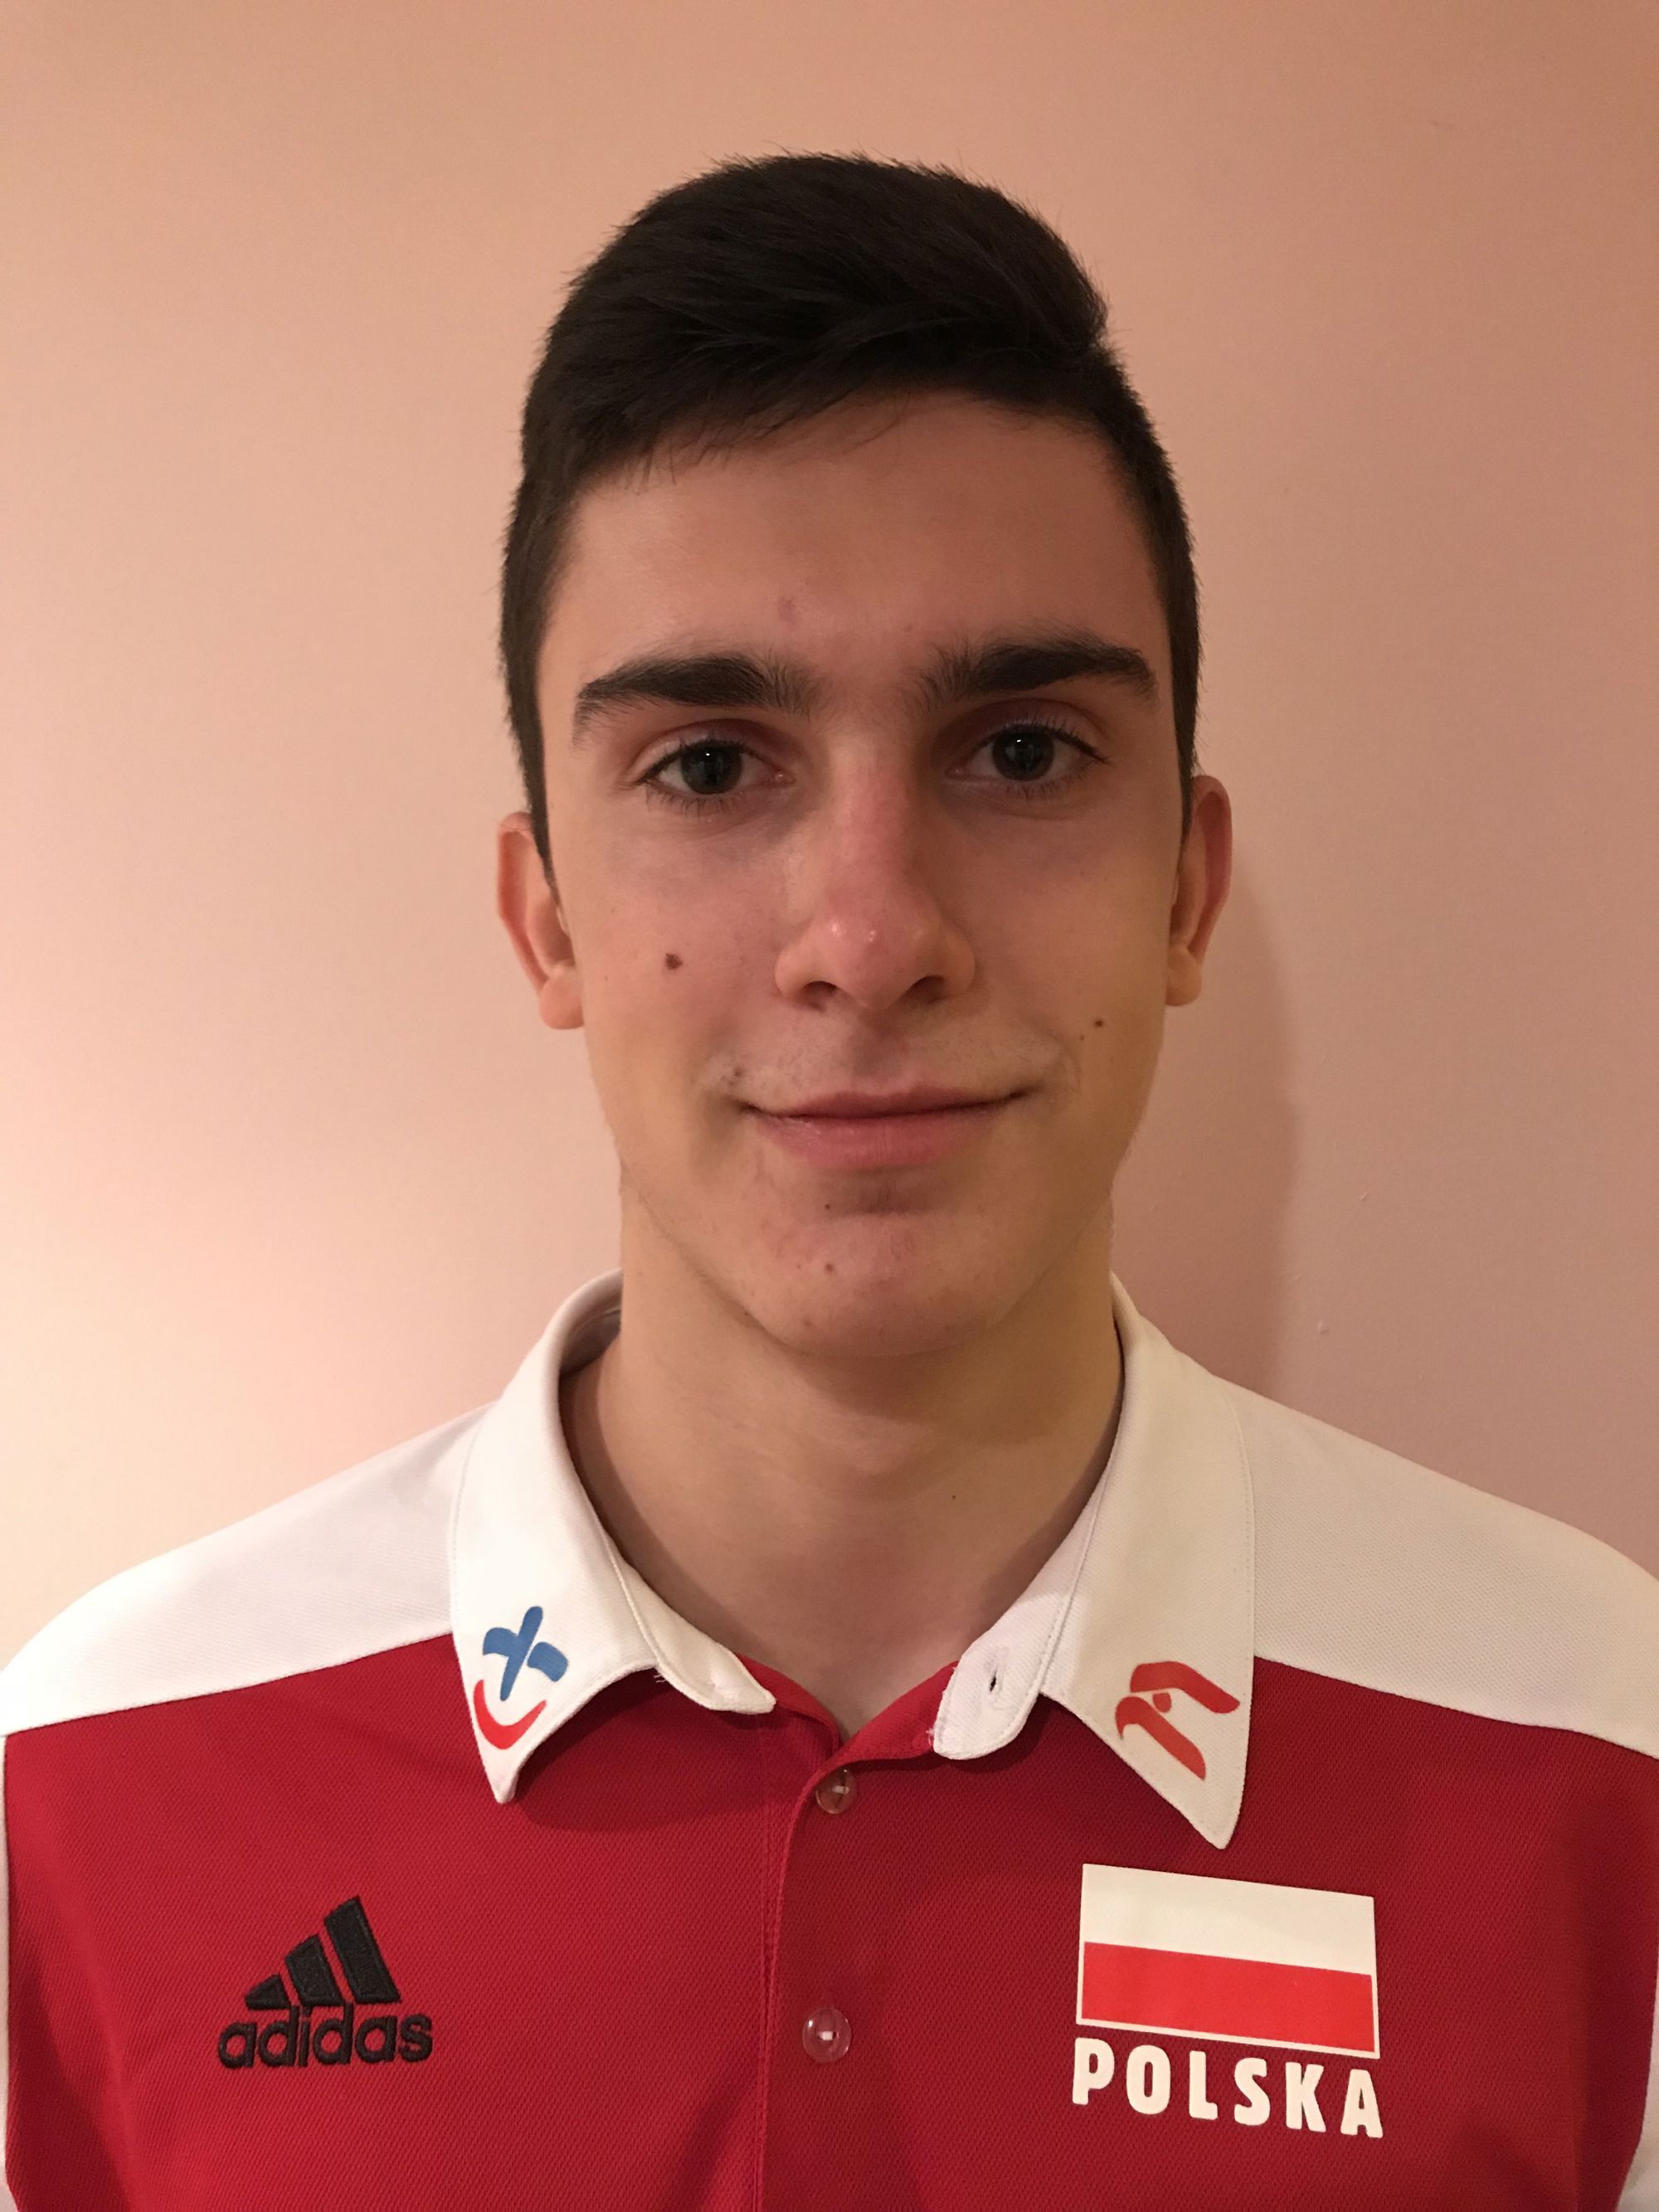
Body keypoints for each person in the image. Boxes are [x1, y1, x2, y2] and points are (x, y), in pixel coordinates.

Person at [2, 149, 1656, 2210]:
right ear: (545, 918)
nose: (871, 937)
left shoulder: (1603, 1749)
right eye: (708, 765)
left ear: (1184, 888)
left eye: (1022, 750)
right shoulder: (87, 1775)